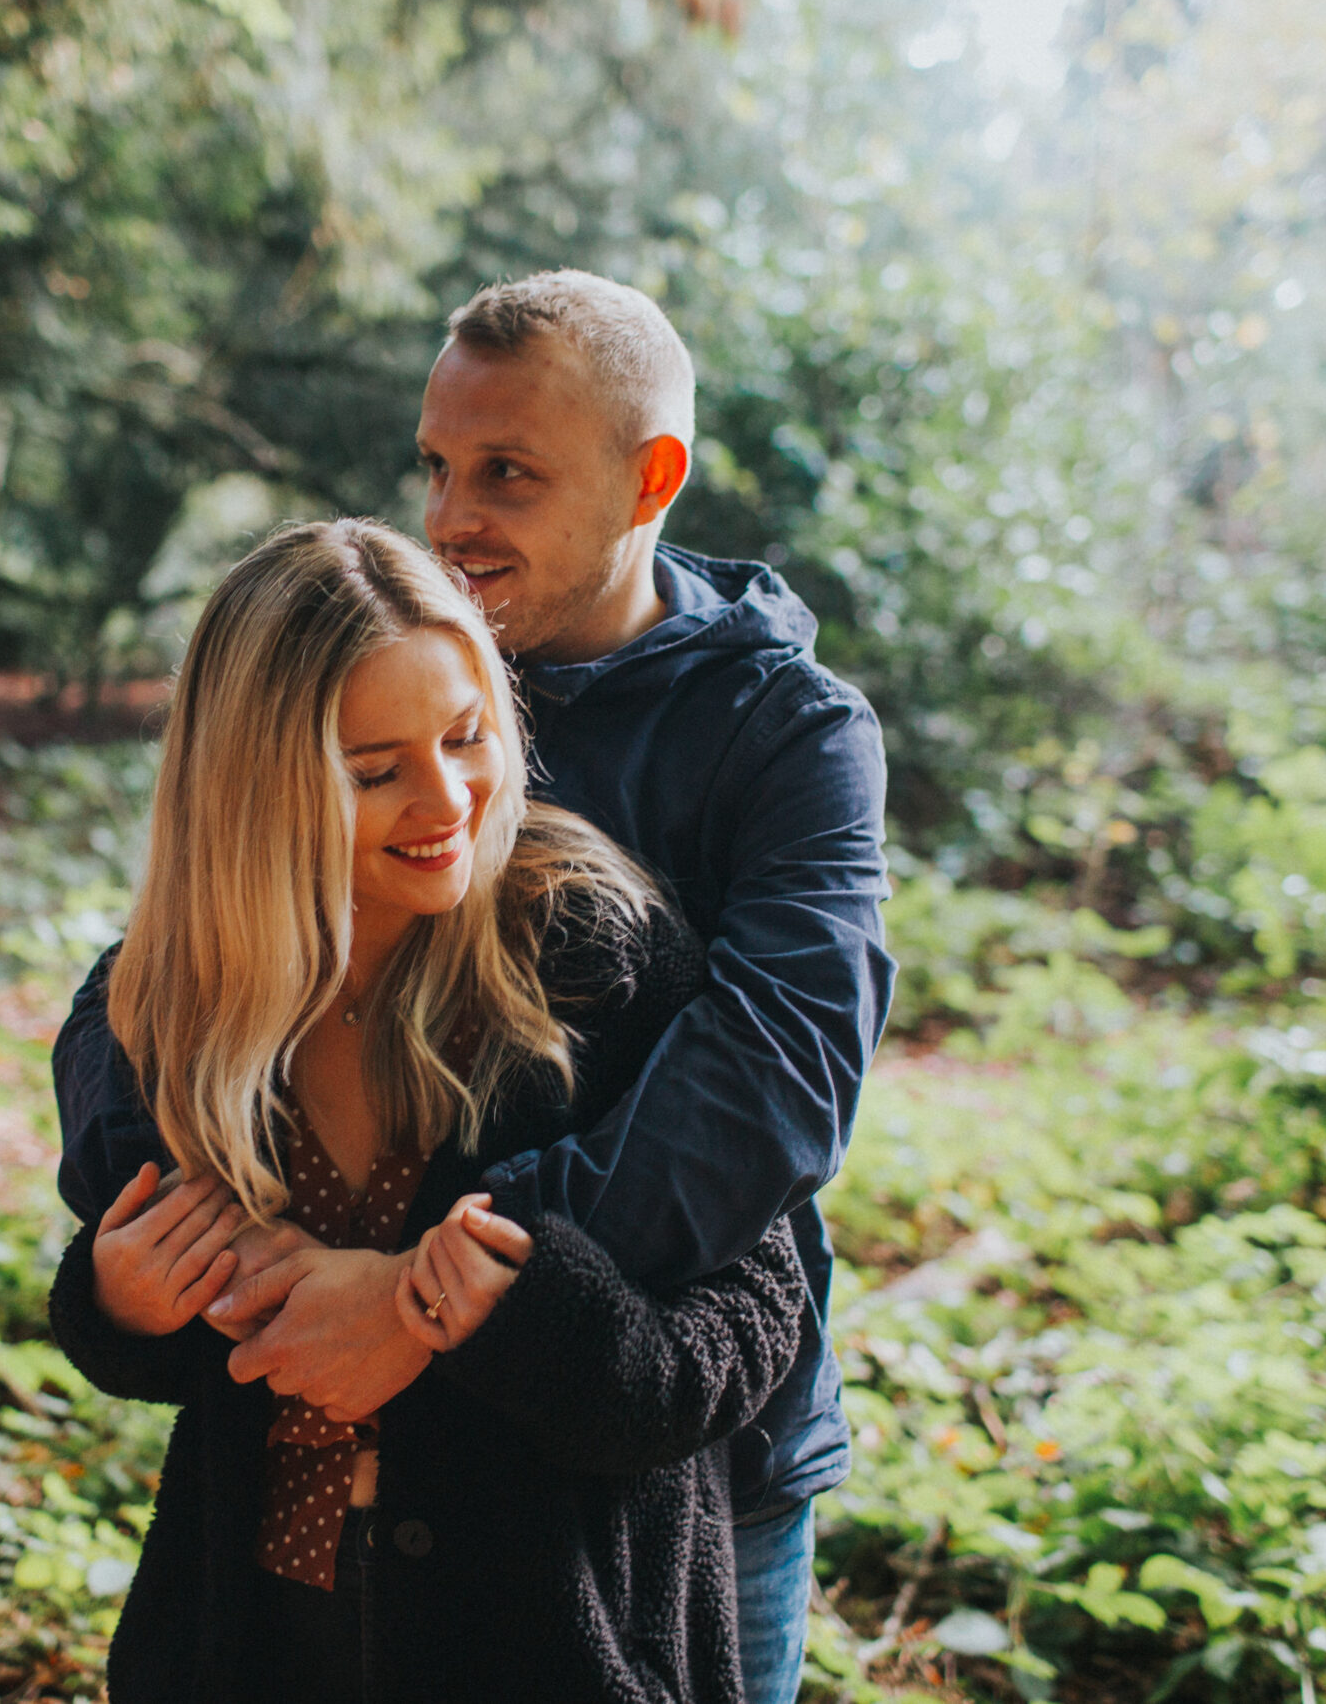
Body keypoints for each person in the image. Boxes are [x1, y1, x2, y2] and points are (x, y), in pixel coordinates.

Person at [56, 270, 894, 1703]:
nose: (452, 517)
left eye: (508, 474)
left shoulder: (779, 735)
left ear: (652, 480)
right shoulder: (407, 649)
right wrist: (163, 1231)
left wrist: (424, 1292)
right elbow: (167, 969)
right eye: (437, 467)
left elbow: (772, 1084)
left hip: (677, 1458)